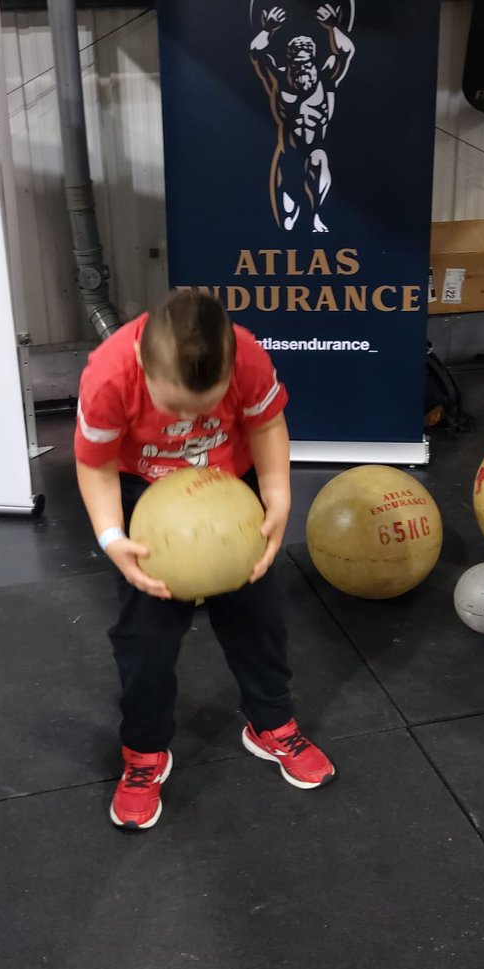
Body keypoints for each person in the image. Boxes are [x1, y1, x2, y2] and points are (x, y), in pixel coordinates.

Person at [75, 289, 335, 830]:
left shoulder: (248, 356)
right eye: (177, 409)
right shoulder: (108, 375)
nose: (192, 419)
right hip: (141, 497)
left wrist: (278, 497)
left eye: (205, 406)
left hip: (230, 494)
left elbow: (266, 426)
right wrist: (111, 539)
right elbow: (94, 464)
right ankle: (144, 751)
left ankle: (270, 723)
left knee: (259, 620)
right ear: (142, 365)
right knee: (145, 637)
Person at [251, 3, 355, 233]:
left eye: (306, 63)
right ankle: (293, 222)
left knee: (318, 160)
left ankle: (317, 215)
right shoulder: (279, 79)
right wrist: (268, 29)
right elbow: (256, 51)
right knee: (287, 220)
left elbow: (346, 52)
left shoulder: (326, 78)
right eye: (296, 64)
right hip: (290, 148)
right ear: (289, 62)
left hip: (316, 147)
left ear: (313, 60)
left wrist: (333, 27)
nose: (302, 68)